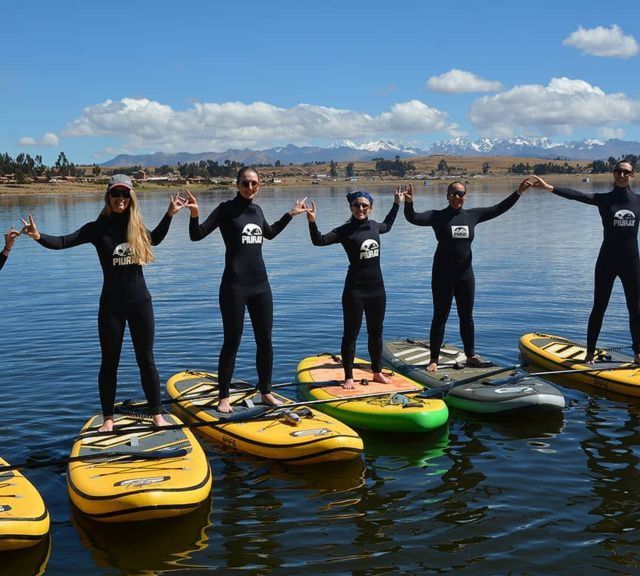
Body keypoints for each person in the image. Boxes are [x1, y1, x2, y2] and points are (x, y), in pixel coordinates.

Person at [20, 174, 185, 431]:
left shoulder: (136, 225)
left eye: (124, 194)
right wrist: (39, 236)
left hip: (141, 303)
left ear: (131, 197)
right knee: (109, 361)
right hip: (112, 306)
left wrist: (170, 214)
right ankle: (108, 419)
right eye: (115, 194)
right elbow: (64, 242)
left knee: (147, 359)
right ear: (108, 197)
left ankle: (157, 415)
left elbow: (157, 239)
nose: (120, 198)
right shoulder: (98, 228)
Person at [186, 167, 310, 413]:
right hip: (234, 286)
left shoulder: (257, 210)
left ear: (259, 185)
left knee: (265, 342)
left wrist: (291, 214)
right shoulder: (225, 210)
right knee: (232, 341)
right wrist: (194, 214)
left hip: (261, 287)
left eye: (254, 183)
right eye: (245, 183)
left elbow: (270, 233)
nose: (250, 187)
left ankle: (265, 392)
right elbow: (196, 235)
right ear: (237, 184)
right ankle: (223, 398)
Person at [404, 178, 532, 372]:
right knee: (440, 316)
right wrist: (409, 202)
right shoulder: (437, 216)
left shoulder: (472, 216)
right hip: (442, 275)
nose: (457, 197)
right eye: (453, 193)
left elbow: (498, 208)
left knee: (467, 317)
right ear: (447, 196)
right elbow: (413, 218)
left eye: (460, 193)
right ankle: (434, 359)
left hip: (465, 275)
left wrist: (519, 192)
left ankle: (471, 355)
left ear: (466, 196)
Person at [532, 160, 640, 364]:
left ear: (632, 175)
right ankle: (589, 353)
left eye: (626, 172)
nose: (622, 175)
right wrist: (548, 187)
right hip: (607, 261)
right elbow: (577, 195)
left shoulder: (638, 201)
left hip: (631, 263)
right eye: (619, 171)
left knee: (635, 308)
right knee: (599, 306)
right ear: (614, 174)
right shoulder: (604, 199)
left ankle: (638, 354)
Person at [306, 189, 401, 388]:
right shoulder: (345, 230)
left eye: (365, 205)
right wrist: (312, 221)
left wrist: (397, 203)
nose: (360, 209)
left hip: (377, 290)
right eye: (357, 205)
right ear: (351, 207)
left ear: (370, 208)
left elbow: (389, 225)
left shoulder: (375, 227)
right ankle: (348, 376)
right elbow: (319, 241)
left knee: (376, 333)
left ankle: (377, 372)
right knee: (351, 333)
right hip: (354, 291)